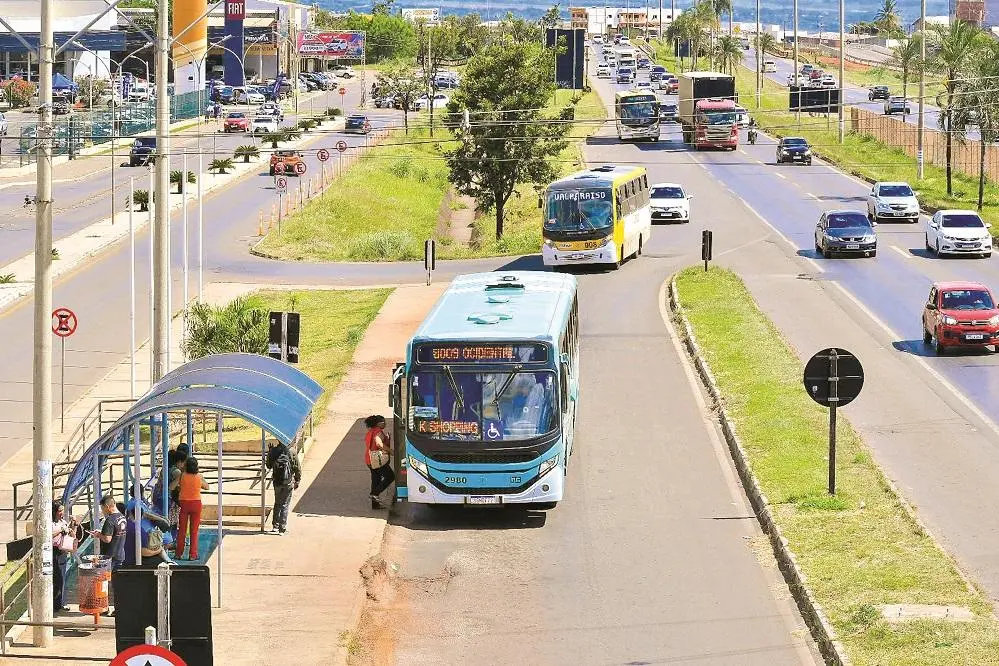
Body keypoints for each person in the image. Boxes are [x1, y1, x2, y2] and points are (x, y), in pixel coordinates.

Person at [88, 495, 126, 616]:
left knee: (102, 583)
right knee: (117, 585)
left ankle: (104, 608)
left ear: (108, 506)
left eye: (103, 508)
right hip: (120, 554)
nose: (102, 511)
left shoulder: (110, 520)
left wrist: (98, 535)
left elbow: (108, 539)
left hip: (108, 557)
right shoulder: (122, 517)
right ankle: (119, 608)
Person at [123, 492, 173, 567]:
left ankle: (168, 560)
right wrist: (158, 550)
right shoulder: (139, 530)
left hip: (127, 557)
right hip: (132, 560)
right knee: (160, 549)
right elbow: (143, 552)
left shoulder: (127, 523)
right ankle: (169, 561)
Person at [176, 457, 209, 561]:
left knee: (182, 529)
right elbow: (207, 487)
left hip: (184, 504)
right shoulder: (199, 476)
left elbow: (174, 486)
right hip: (196, 504)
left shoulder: (182, 476)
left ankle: (178, 554)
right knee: (194, 530)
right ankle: (192, 555)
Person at [266, 440, 301, 534]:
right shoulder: (292, 451)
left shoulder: (273, 451)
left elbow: (268, 466)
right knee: (285, 504)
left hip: (276, 481)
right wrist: (297, 480)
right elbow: (297, 467)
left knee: (277, 502)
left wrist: (270, 452)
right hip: (288, 482)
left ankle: (275, 526)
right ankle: (282, 528)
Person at [364, 415, 395, 509]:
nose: (385, 423)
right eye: (383, 422)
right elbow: (378, 443)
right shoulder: (378, 432)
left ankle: (375, 505)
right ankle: (374, 494)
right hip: (377, 460)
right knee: (390, 476)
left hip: (369, 458)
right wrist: (390, 451)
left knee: (376, 479)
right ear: (378, 423)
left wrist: (387, 438)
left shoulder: (370, 432)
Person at [51, 501, 77, 612]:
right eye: (60, 511)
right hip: (54, 552)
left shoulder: (63, 521)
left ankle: (60, 602)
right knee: (57, 579)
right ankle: (56, 604)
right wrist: (61, 530)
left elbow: (72, 535)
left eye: (62, 510)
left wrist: (73, 525)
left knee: (62, 578)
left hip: (63, 552)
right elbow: (49, 534)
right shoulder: (51, 523)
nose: (62, 513)